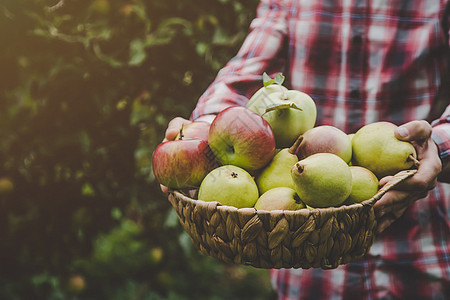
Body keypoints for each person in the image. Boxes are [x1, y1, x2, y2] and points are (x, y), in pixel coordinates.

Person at [162, 0, 450, 298]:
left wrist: (437, 145)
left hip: (417, 247)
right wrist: (202, 133)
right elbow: (245, 69)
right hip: (305, 255)